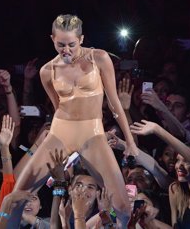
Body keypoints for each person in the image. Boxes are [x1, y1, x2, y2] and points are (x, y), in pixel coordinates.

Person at [8, 14, 138, 226]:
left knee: (122, 207)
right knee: (16, 196)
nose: (66, 50)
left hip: (92, 132)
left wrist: (130, 142)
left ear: (82, 39)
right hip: (61, 132)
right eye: (60, 44)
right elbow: (57, 105)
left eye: (71, 44)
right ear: (52, 39)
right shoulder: (47, 71)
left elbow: (114, 103)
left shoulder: (99, 58)